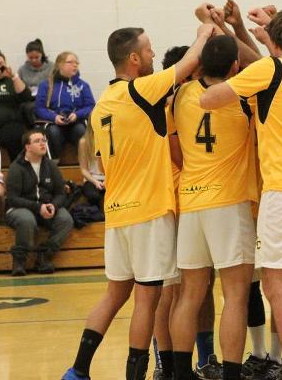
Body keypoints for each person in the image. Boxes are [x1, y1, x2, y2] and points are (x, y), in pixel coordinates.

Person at [61, 24, 214, 380]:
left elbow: (100, 164)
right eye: (148, 51)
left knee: (114, 295)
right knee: (146, 301)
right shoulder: (141, 90)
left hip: (116, 215)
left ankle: (78, 370)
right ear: (133, 59)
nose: (153, 55)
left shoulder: (100, 108)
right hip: (148, 212)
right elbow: (187, 64)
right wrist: (204, 32)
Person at [201, 9, 282, 380]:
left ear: (273, 42)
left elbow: (210, 100)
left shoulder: (270, 70)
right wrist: (263, 31)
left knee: (278, 285)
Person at [170, 35, 257, 380]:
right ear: (235, 66)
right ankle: (232, 374)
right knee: (235, 297)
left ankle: (180, 373)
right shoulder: (244, 97)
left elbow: (175, 150)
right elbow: (265, 65)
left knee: (189, 296)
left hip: (191, 202)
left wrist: (204, 32)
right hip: (229, 203)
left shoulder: (181, 94)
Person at [5, 128, 74, 276]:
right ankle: (19, 261)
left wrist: (53, 206)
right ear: (27, 147)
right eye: (37, 141)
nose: (43, 144)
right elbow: (12, 198)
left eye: (44, 140)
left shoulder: (50, 166)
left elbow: (61, 193)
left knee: (66, 219)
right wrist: (38, 207)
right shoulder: (16, 167)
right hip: (20, 208)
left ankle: (45, 255)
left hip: (46, 206)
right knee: (26, 219)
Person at [35, 51, 95, 162]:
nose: (75, 65)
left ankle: (84, 165)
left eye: (76, 62)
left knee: (81, 131)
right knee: (53, 132)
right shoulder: (46, 85)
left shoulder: (83, 85)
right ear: (59, 65)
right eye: (70, 62)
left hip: (76, 122)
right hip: (54, 123)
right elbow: (39, 108)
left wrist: (77, 115)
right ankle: (54, 164)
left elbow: (90, 106)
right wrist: (54, 117)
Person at [77, 122, 104, 207]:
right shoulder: (84, 142)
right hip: (92, 179)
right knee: (93, 196)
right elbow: (83, 169)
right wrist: (95, 182)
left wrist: (107, 180)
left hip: (110, 178)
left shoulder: (113, 140)